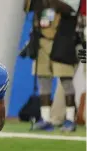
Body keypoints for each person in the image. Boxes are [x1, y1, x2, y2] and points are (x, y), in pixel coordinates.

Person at [26, 0, 81, 132]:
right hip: (42, 42)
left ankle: (70, 120)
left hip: (62, 42)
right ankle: (45, 119)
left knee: (66, 80)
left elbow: (69, 9)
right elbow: (27, 7)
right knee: (43, 81)